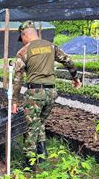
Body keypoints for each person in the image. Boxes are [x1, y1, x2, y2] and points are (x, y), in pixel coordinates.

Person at [12, 21, 81, 167]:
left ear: (24, 34)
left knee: (30, 127)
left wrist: (14, 101)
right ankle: (42, 157)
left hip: (35, 93)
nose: (22, 41)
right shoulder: (51, 47)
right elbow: (68, 61)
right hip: (51, 92)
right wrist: (75, 78)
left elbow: (18, 79)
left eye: (21, 38)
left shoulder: (24, 51)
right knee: (40, 122)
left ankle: (29, 165)